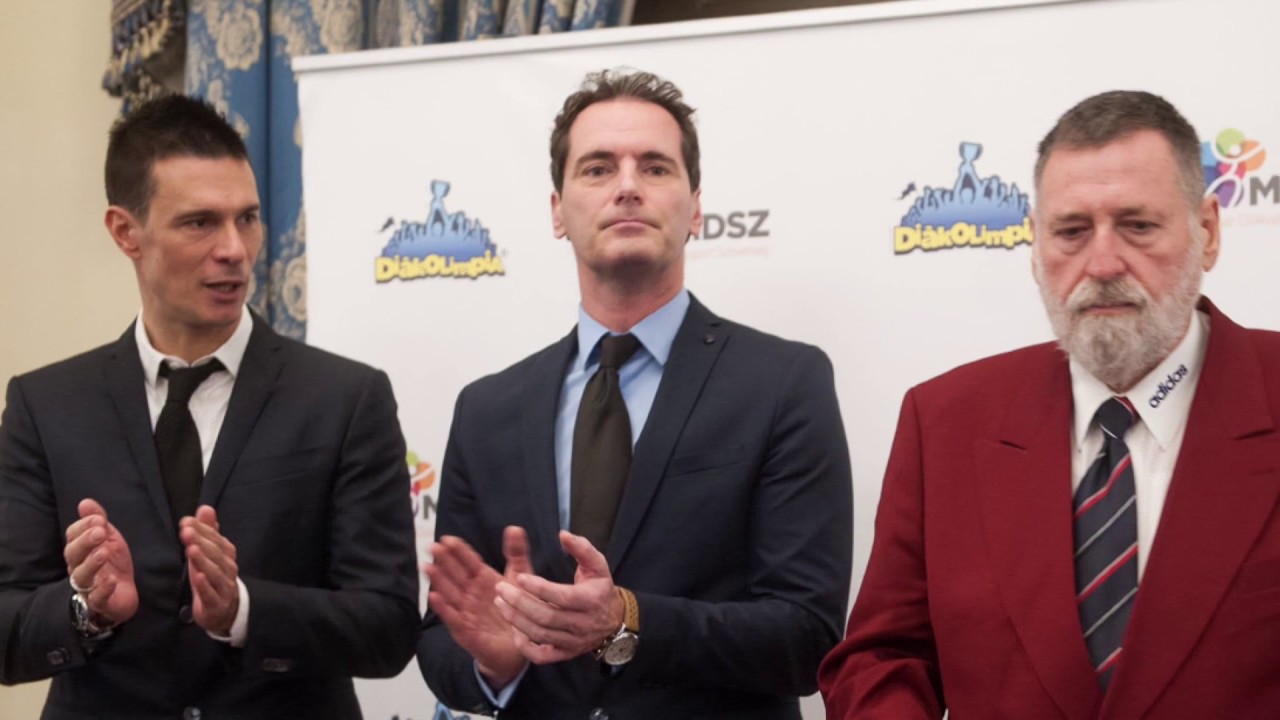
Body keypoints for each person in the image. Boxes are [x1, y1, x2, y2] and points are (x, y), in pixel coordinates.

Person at [819, 90, 1280, 718]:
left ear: (1207, 233)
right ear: (1036, 248)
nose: (1103, 262)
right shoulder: (947, 419)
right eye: (1071, 232)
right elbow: (884, 657)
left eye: (1138, 226)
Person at [416, 68, 853, 719]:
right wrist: (494, 661)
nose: (627, 186)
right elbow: (440, 639)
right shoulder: (488, 409)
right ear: (557, 211)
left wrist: (626, 618)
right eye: (597, 169)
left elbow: (807, 635)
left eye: (654, 167)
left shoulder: (784, 382)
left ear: (696, 208)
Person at [0, 95, 419, 719]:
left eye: (247, 218)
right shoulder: (46, 406)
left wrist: (244, 611)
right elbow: (6, 631)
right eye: (200, 223)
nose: (235, 250)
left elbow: (388, 628)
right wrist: (86, 607)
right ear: (125, 232)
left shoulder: (347, 399)